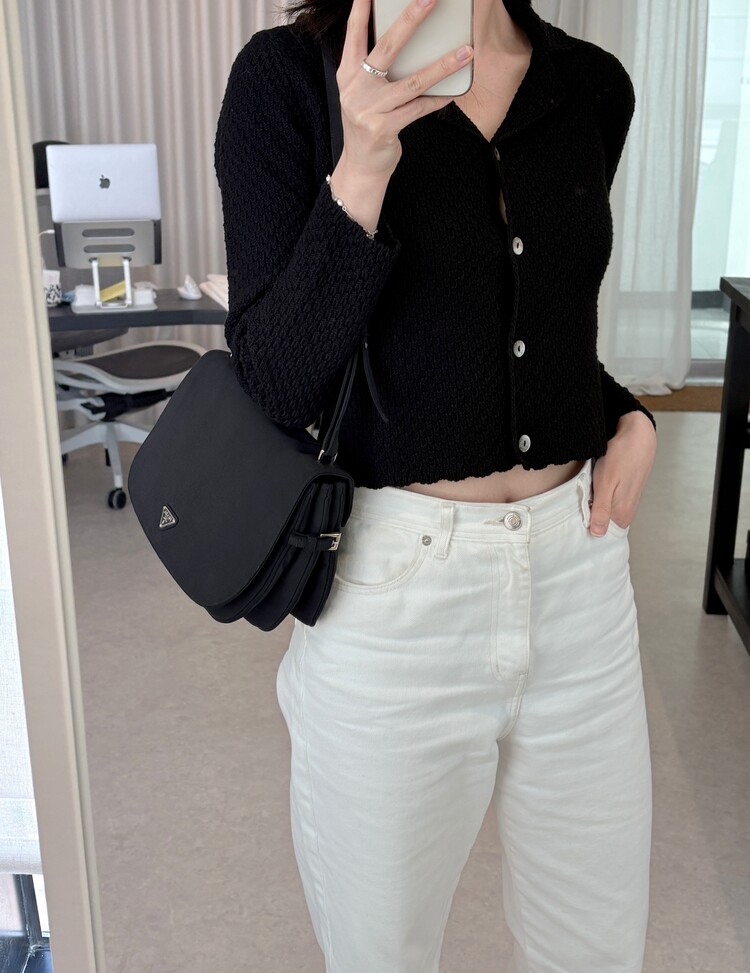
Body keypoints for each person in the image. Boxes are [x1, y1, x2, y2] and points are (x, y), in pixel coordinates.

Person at [214, 0, 658, 969]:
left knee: (596, 949)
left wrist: (630, 414)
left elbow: (536, 323)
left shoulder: (592, 87)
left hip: (582, 581)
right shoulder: (287, 82)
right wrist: (363, 164)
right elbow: (276, 381)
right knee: (382, 951)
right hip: (394, 597)